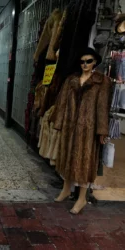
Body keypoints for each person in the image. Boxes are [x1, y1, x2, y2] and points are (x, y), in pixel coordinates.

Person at [52, 48, 111, 214]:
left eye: (89, 61)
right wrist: (59, 123)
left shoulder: (102, 81)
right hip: (70, 127)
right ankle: (65, 190)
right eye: (82, 61)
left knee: (85, 164)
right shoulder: (71, 80)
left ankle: (82, 198)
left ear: (95, 62)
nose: (85, 64)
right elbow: (62, 102)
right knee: (67, 159)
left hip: (88, 130)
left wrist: (102, 131)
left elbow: (102, 108)